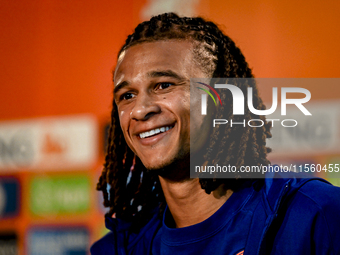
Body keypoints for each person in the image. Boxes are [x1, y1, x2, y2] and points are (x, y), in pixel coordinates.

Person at [91, 13, 340, 255]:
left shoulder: (315, 215)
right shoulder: (117, 249)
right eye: (127, 96)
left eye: (164, 85)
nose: (140, 110)